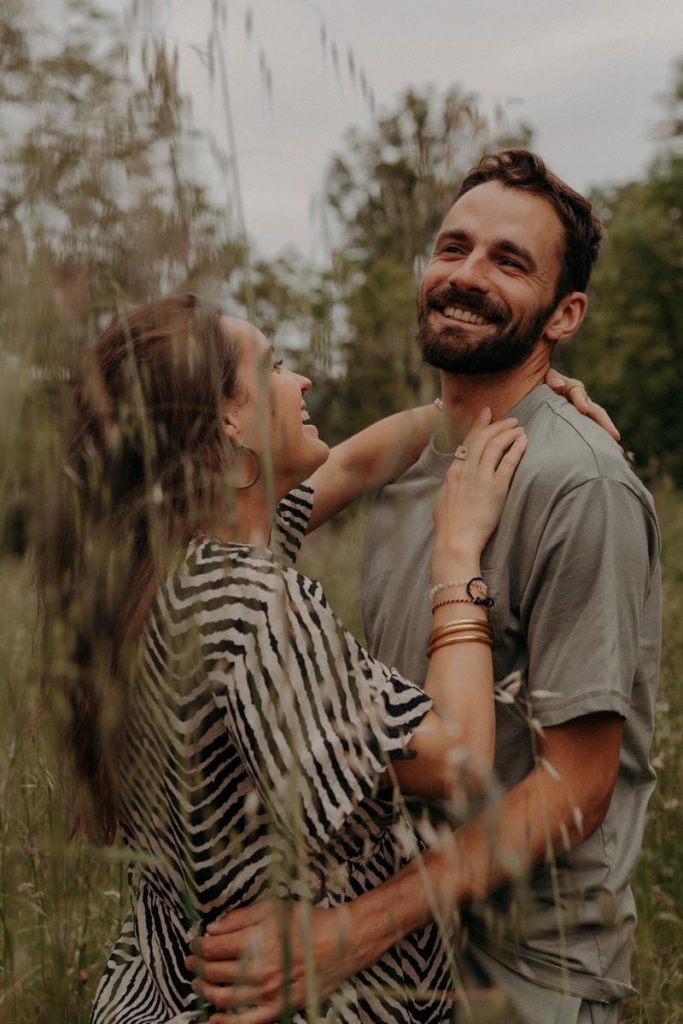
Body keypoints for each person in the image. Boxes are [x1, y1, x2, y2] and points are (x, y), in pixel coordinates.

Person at [40, 291, 604, 1023]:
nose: (300, 381)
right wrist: (457, 554)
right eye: (272, 367)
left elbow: (355, 463)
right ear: (226, 420)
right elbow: (457, 757)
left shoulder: (170, 568)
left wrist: (502, 402)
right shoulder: (246, 605)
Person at [192, 151, 661, 1024]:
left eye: (508, 261)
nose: (466, 276)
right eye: (453, 247)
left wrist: (349, 931)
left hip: (518, 970)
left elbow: (580, 785)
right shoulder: (408, 462)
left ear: (565, 313)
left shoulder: (578, 484)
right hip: (395, 958)